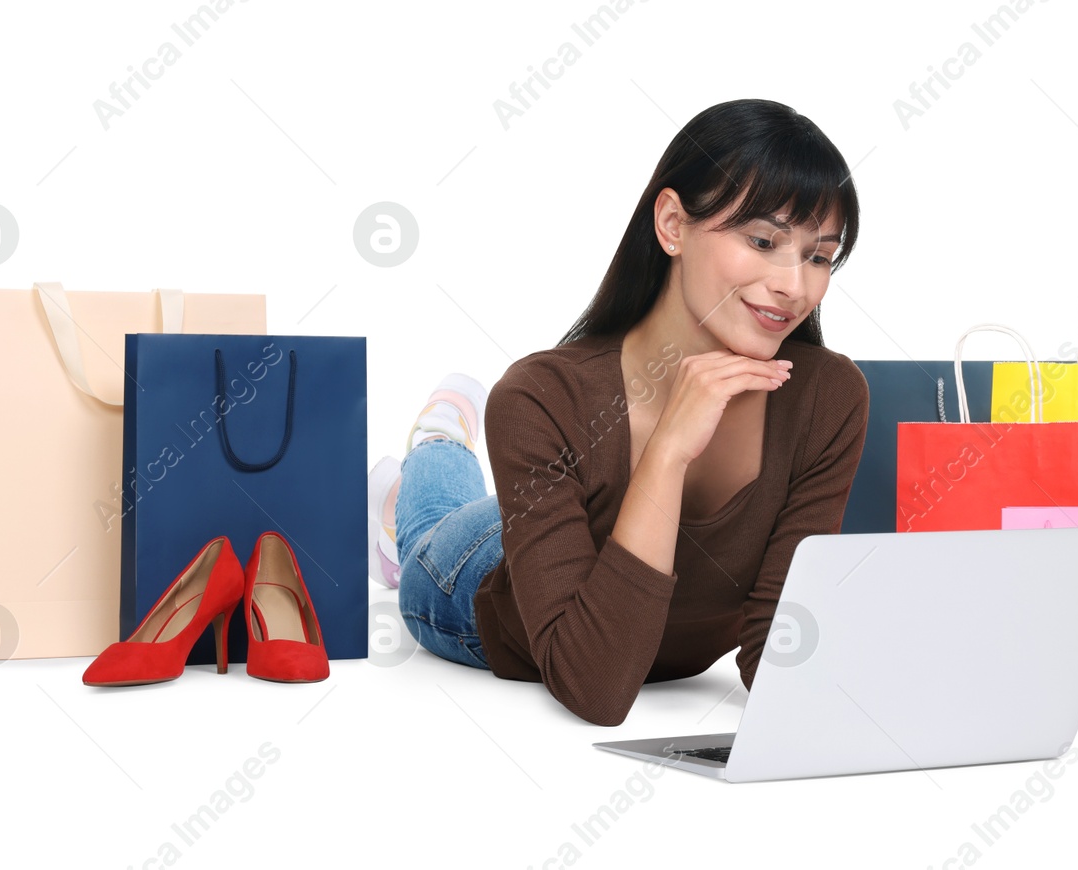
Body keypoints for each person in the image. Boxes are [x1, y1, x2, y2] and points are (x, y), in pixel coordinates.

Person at [368, 98, 871, 726]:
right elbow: (595, 686)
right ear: (672, 224)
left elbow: (778, 649)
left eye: (820, 256)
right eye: (764, 241)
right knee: (425, 532)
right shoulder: (540, 398)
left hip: (561, 518)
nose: (794, 287)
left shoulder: (827, 397)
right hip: (474, 581)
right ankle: (434, 447)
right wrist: (667, 452)